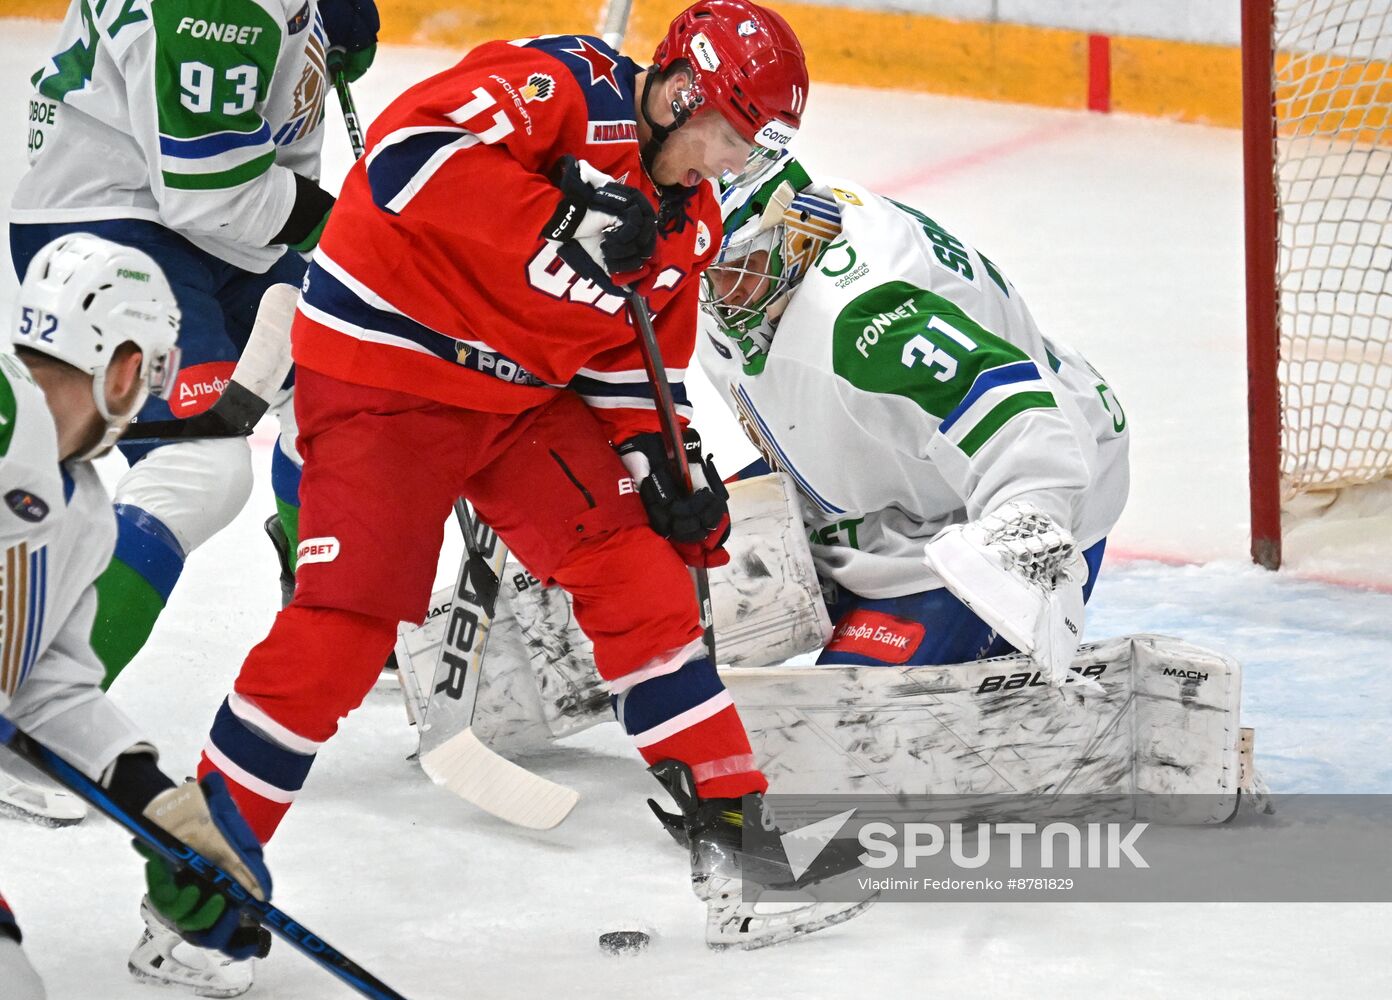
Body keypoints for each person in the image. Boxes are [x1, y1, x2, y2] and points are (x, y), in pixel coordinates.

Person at [189, 0, 868, 954]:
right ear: (678, 94)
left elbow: (632, 368)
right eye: (725, 135)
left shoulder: (690, 227)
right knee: (343, 631)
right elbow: (400, 157)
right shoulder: (563, 92)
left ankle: (744, 854)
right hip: (386, 374)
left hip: (519, 406)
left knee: (642, 578)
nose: (727, 165)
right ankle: (195, 877)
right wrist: (558, 214)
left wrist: (669, 469)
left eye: (744, 150)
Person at [5, 1, 381, 820]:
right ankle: (16, 718)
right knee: (199, 466)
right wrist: (353, 230)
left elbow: (261, 174)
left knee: (346, 395)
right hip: (117, 220)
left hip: (210, 229)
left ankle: (320, 597)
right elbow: (210, 189)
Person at [699, 152, 1130, 675]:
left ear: (797, 231)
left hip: (975, 510)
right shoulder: (750, 284)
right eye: (704, 270)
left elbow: (1022, 418)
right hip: (859, 489)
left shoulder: (864, 323)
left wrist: (1028, 535)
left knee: (855, 727)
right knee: (658, 587)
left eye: (737, 268)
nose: (717, 297)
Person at [0, 235, 273, 1000]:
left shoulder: (81, 511)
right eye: (156, 370)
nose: (153, 390)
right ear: (125, 364)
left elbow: (42, 691)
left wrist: (156, 801)